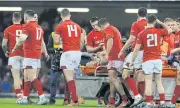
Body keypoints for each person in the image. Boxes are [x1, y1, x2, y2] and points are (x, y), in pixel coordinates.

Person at [129, 14, 172, 108]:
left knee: (148, 82)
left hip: (147, 60)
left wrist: (132, 61)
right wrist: (160, 22)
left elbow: (136, 49)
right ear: (155, 21)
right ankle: (162, 103)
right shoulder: (159, 31)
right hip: (157, 59)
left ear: (146, 21)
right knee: (159, 82)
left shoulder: (141, 34)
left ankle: (148, 104)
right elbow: (170, 30)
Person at [12, 10, 48, 105]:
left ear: (26, 17)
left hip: (29, 55)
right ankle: (24, 98)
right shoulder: (40, 28)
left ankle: (42, 97)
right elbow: (42, 43)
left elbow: (22, 39)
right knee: (27, 77)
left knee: (32, 77)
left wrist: (15, 47)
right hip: (36, 55)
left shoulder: (27, 26)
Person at [53, 8, 85, 106]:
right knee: (71, 78)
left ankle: (75, 101)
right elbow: (82, 42)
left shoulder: (60, 26)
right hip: (77, 53)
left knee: (69, 78)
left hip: (68, 53)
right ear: (70, 15)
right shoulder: (78, 26)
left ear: (61, 16)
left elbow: (56, 42)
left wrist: (62, 40)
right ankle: (69, 99)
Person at [118, 7, 147, 106]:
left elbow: (131, 39)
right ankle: (142, 99)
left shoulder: (136, 24)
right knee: (140, 75)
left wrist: (122, 50)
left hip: (137, 52)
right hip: (147, 53)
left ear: (137, 14)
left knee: (125, 73)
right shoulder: (150, 25)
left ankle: (137, 96)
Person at [98, 18, 129, 108]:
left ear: (101, 26)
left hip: (114, 56)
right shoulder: (114, 28)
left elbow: (110, 40)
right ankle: (111, 102)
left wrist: (107, 54)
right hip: (117, 56)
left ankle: (124, 99)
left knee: (113, 79)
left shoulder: (108, 29)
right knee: (112, 80)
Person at [2, 12, 23, 103]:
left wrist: (6, 52)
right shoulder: (25, 28)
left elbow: (3, 44)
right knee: (23, 77)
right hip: (25, 56)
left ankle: (19, 97)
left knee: (16, 77)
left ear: (12, 19)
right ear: (21, 19)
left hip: (13, 56)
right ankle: (24, 96)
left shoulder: (8, 29)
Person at [168, 17, 180, 107]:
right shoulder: (175, 35)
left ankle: (172, 103)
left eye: (174, 25)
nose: (172, 26)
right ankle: (172, 102)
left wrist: (176, 49)